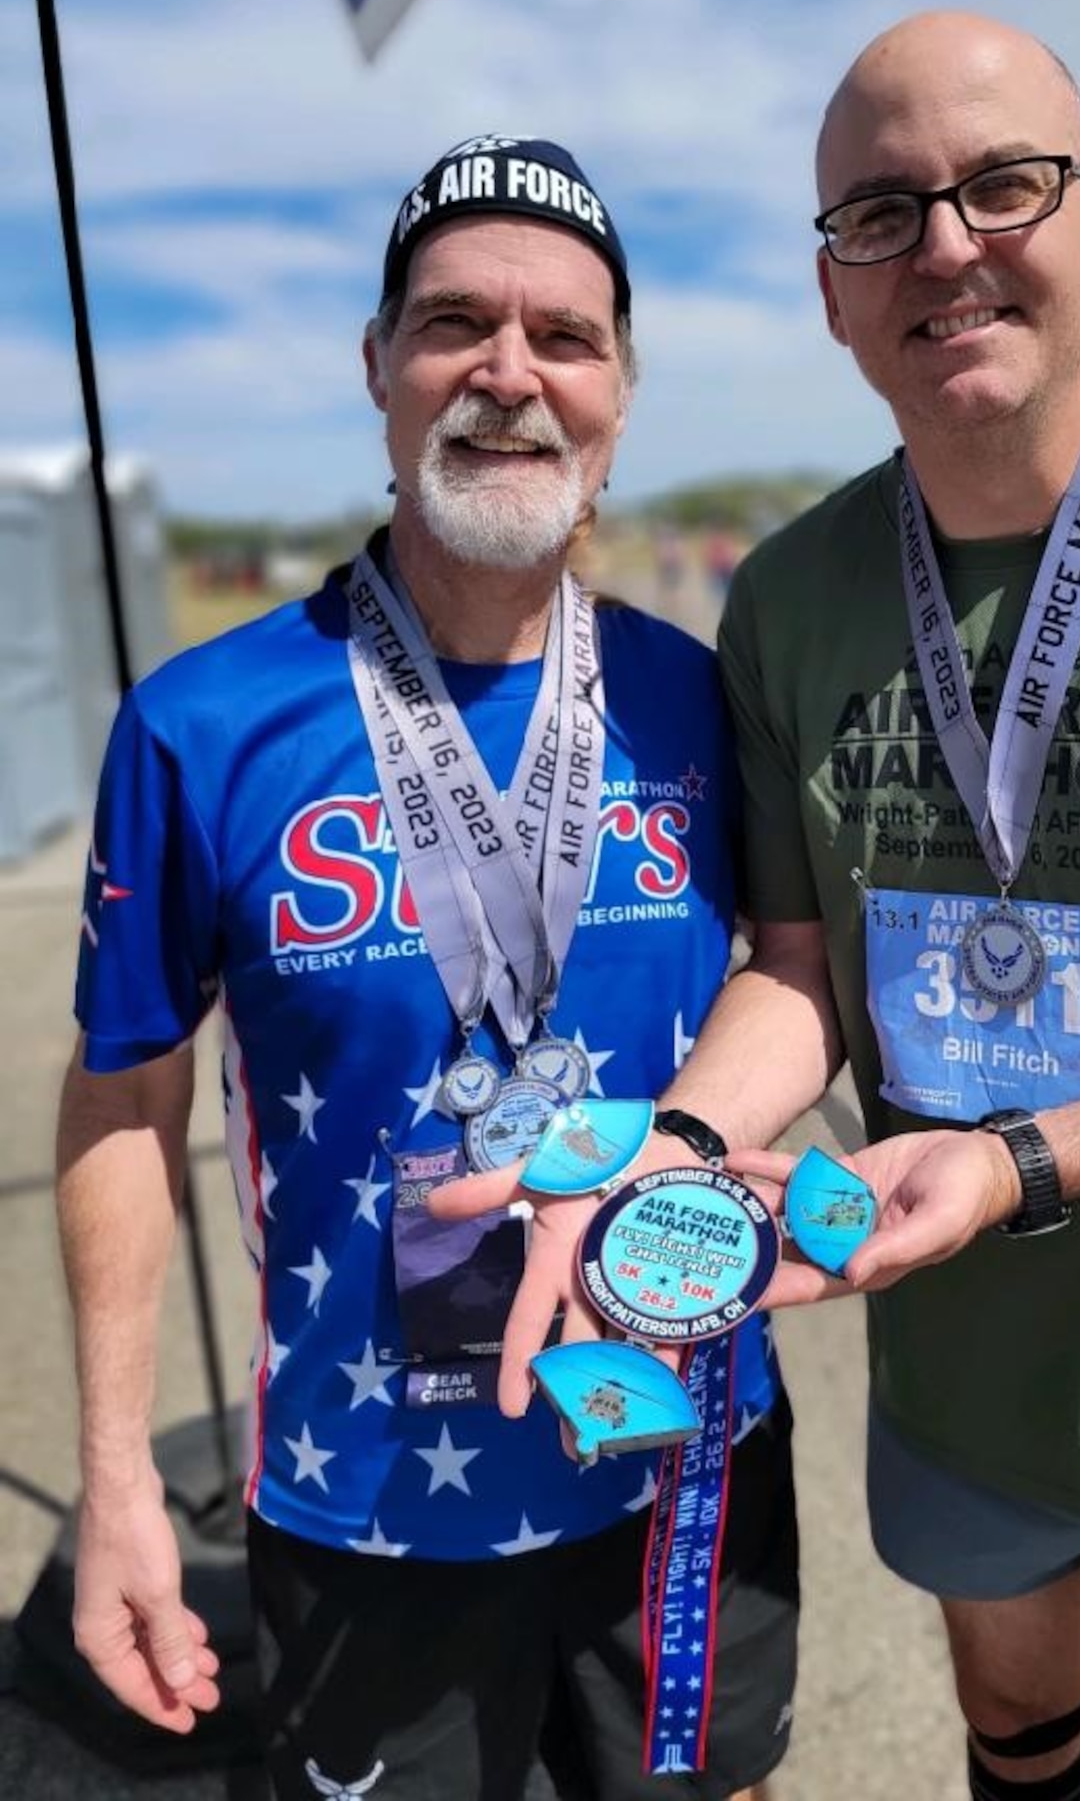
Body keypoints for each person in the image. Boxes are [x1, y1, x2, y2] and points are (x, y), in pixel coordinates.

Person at [440, 14, 1080, 1801]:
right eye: (879, 215)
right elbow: (801, 970)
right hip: (959, 1370)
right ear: (836, 294)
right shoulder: (793, 596)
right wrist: (681, 1141)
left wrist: (1016, 1161)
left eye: (1002, 188)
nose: (943, 246)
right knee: (1018, 1750)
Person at [58, 134, 798, 1801]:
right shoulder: (201, 725)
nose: (509, 373)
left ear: (620, 395)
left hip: (688, 1441)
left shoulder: (700, 694)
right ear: (380, 369)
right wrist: (115, 1479)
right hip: (369, 1483)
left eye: (567, 336)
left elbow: (796, 979)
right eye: (455, 321)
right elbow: (121, 1091)